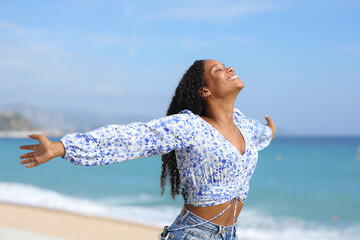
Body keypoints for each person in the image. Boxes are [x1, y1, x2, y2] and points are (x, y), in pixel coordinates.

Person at [19, 59, 276, 240]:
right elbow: (132, 138)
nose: (230, 68)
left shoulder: (244, 124)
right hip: (194, 234)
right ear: (205, 90)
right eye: (218, 69)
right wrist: (61, 147)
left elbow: (260, 135)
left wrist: (269, 131)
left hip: (230, 234)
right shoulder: (189, 126)